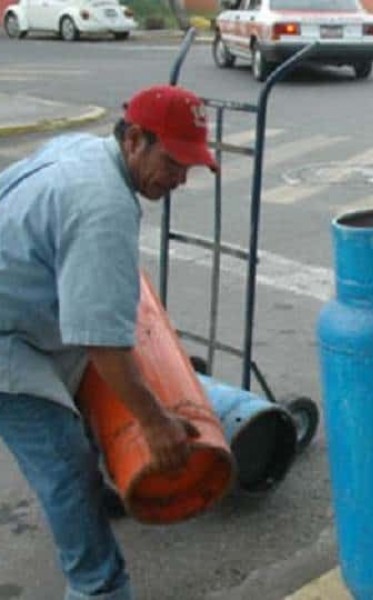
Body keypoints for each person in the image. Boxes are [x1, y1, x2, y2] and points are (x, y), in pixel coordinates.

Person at [0, 84, 218, 600]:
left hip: (26, 307)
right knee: (65, 466)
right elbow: (101, 340)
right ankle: (99, 587)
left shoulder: (88, 150)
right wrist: (156, 422)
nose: (181, 178)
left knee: (93, 393)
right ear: (135, 139)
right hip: (7, 339)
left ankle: (112, 483)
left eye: (190, 165)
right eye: (173, 162)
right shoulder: (101, 205)